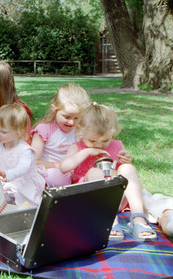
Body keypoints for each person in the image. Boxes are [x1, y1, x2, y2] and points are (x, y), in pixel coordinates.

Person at [59, 102, 157, 242]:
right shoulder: (78, 147)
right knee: (96, 173)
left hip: (115, 199)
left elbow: (125, 175)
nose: (99, 145)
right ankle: (109, 221)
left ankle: (138, 219)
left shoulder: (116, 145)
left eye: (105, 140)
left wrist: (125, 161)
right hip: (90, 201)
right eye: (92, 140)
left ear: (113, 131)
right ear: (81, 129)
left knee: (128, 168)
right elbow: (64, 167)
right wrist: (87, 152)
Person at [31, 83, 90, 187]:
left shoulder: (80, 131)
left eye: (76, 118)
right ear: (54, 110)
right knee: (56, 177)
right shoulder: (44, 129)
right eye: (66, 117)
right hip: (50, 171)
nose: (71, 122)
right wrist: (60, 166)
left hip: (75, 172)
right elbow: (33, 162)